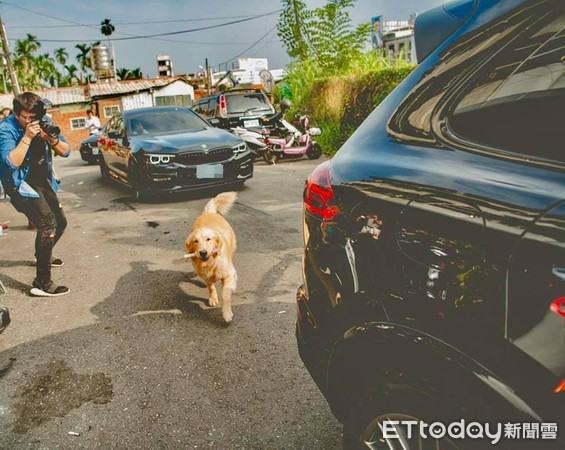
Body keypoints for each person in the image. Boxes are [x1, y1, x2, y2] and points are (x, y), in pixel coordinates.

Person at [0, 92, 71, 297]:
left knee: (61, 222)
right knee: (47, 224)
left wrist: (51, 140)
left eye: (35, 117)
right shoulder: (6, 129)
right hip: (19, 184)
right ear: (16, 114)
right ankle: (42, 283)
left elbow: (66, 151)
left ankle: (42, 255)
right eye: (27, 117)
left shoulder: (44, 121)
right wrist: (28, 137)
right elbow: (10, 163)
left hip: (42, 181)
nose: (32, 121)